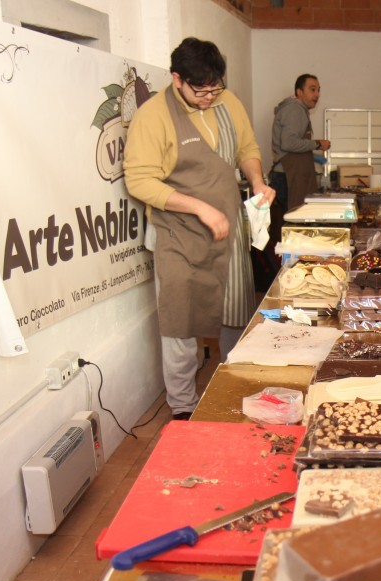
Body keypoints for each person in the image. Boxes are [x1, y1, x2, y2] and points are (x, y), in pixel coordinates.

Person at [124, 37, 275, 421]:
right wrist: (199, 208)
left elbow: (247, 149)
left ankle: (234, 390)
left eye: (215, 89)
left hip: (227, 229)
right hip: (178, 235)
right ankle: (183, 409)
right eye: (201, 91)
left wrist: (257, 182)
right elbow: (139, 181)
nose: (209, 97)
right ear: (177, 79)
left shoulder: (229, 102)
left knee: (236, 311)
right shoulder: (153, 117)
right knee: (181, 322)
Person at [271, 74, 330, 212]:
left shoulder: (296, 109)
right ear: (299, 92)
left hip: (290, 176)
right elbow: (288, 143)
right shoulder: (295, 109)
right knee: (294, 219)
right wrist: (317, 144)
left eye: (318, 90)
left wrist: (312, 154)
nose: (317, 94)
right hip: (289, 177)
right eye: (312, 89)